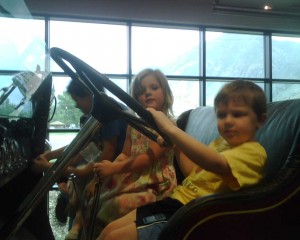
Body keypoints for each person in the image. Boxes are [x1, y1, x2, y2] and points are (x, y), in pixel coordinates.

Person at [98, 79, 268, 240]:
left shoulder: (254, 153)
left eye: (238, 114)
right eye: (222, 115)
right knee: (108, 230)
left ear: (260, 120)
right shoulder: (220, 143)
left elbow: (216, 164)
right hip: (175, 201)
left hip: (195, 214)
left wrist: (172, 130)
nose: (228, 121)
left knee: (114, 237)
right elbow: (192, 172)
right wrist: (175, 145)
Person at [31, 78, 128, 240]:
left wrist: (48, 167)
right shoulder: (97, 114)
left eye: (77, 100)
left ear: (90, 95)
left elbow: (108, 155)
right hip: (100, 161)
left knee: (78, 178)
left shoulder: (109, 112)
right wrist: (49, 156)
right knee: (74, 172)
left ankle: (77, 222)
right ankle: (73, 211)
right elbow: (78, 144)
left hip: (113, 166)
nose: (76, 105)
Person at [88, 68, 177, 239]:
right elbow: (125, 153)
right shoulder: (133, 124)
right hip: (135, 177)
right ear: (135, 99)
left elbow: (147, 159)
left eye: (154, 88)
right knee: (93, 195)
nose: (148, 93)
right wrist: (110, 167)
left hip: (156, 183)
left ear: (165, 92)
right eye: (141, 91)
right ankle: (84, 230)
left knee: (114, 204)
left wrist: (114, 170)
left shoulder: (167, 125)